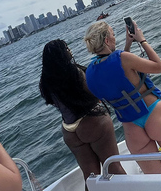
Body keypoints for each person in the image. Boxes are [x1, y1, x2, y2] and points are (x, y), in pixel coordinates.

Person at [84, 20, 161, 174]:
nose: (114, 38)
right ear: (106, 40)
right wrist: (142, 40)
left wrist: (127, 45)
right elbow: (158, 66)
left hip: (131, 127)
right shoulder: (122, 58)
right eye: (113, 34)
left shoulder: (89, 73)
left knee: (156, 182)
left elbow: (117, 73)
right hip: (154, 115)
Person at [39, 40, 125, 190]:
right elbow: (94, 92)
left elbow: (53, 101)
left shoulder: (45, 82)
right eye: (66, 48)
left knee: (90, 176)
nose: (69, 50)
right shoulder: (75, 72)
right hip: (92, 121)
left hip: (69, 130)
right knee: (113, 166)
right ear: (62, 53)